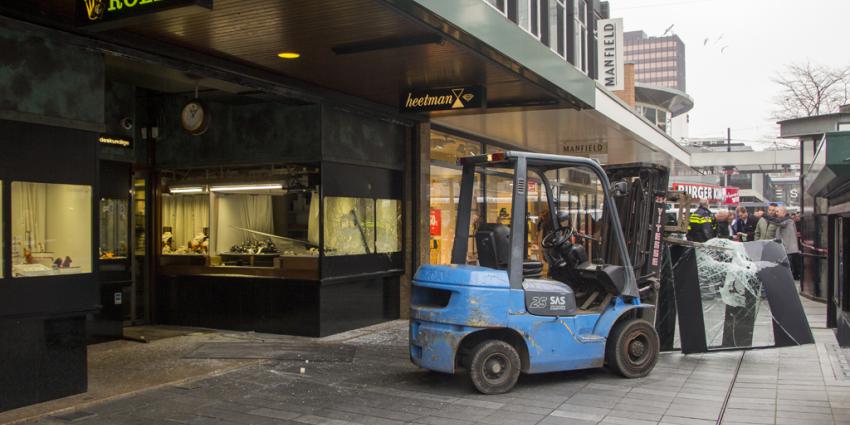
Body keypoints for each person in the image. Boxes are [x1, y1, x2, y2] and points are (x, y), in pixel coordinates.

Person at [772, 206, 801, 278]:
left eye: (777, 211)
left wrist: (764, 215)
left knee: (789, 271)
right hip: (784, 248)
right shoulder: (784, 220)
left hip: (789, 250)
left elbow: (777, 222)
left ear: (783, 212)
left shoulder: (787, 220)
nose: (776, 213)